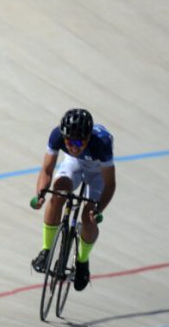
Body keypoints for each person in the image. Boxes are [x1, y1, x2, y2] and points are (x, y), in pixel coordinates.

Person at [30, 108, 116, 291]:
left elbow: (109, 185)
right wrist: (41, 194)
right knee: (57, 195)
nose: (73, 146)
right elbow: (47, 169)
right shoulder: (57, 135)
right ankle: (46, 250)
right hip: (74, 164)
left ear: (87, 138)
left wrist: (98, 209)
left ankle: (83, 262)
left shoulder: (102, 143)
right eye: (69, 141)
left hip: (97, 172)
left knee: (88, 217)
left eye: (78, 142)